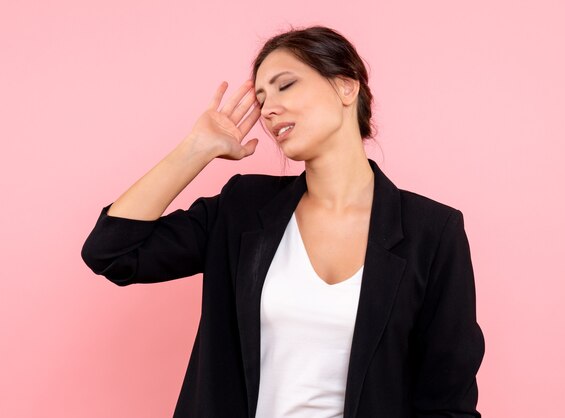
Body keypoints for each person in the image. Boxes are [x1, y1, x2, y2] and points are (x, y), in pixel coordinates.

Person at [81, 25, 485, 418]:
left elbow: (448, 402)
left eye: (285, 85)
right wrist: (196, 149)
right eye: (261, 98)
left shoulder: (432, 232)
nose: (269, 109)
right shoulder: (242, 208)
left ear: (346, 86)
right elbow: (113, 252)